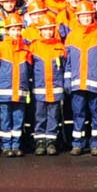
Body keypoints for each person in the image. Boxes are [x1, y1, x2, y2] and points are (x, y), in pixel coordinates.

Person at [64, 0, 97, 156]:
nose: (86, 18)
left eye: (89, 15)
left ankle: (96, 143)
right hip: (77, 84)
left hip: (95, 84)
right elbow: (67, 62)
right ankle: (78, 143)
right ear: (78, 17)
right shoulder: (71, 36)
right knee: (78, 114)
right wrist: (67, 80)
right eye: (83, 16)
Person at [0, 12, 32, 156]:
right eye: (13, 29)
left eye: (18, 29)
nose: (16, 32)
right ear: (7, 31)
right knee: (5, 118)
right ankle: (6, 146)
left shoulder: (26, 49)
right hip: (5, 91)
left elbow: (29, 69)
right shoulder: (0, 48)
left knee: (18, 118)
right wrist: (1, 82)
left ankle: (16, 145)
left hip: (20, 90)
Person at [29, 13, 66, 156]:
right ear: (40, 31)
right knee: (39, 115)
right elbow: (30, 68)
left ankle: (51, 141)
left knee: (53, 114)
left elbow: (64, 67)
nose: (48, 32)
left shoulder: (59, 46)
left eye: (50, 29)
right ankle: (39, 141)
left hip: (55, 88)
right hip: (39, 88)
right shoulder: (34, 47)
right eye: (45, 29)